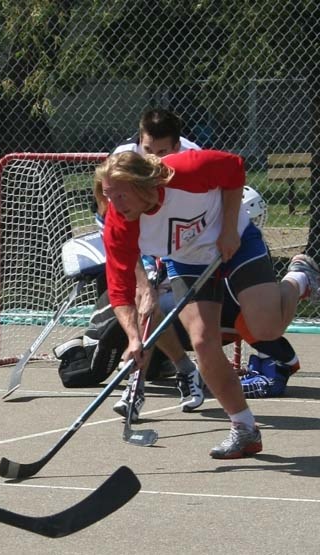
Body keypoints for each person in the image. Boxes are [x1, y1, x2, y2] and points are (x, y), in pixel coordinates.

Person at [93, 148, 318, 459]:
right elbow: (119, 288)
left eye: (121, 196)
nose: (115, 206)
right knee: (202, 342)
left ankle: (298, 279)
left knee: (266, 329)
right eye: (108, 196)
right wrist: (134, 340)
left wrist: (227, 229)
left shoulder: (185, 171)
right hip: (188, 261)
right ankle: (245, 429)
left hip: (235, 241)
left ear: (143, 185)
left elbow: (234, 168)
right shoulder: (119, 223)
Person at [97, 108, 207, 416]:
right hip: (138, 235)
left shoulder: (192, 157)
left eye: (162, 152)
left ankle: (180, 369)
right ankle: (150, 382)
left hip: (182, 240)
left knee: (166, 309)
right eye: (148, 150)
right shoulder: (123, 157)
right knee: (143, 301)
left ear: (177, 146)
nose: (154, 159)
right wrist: (143, 282)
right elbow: (113, 223)